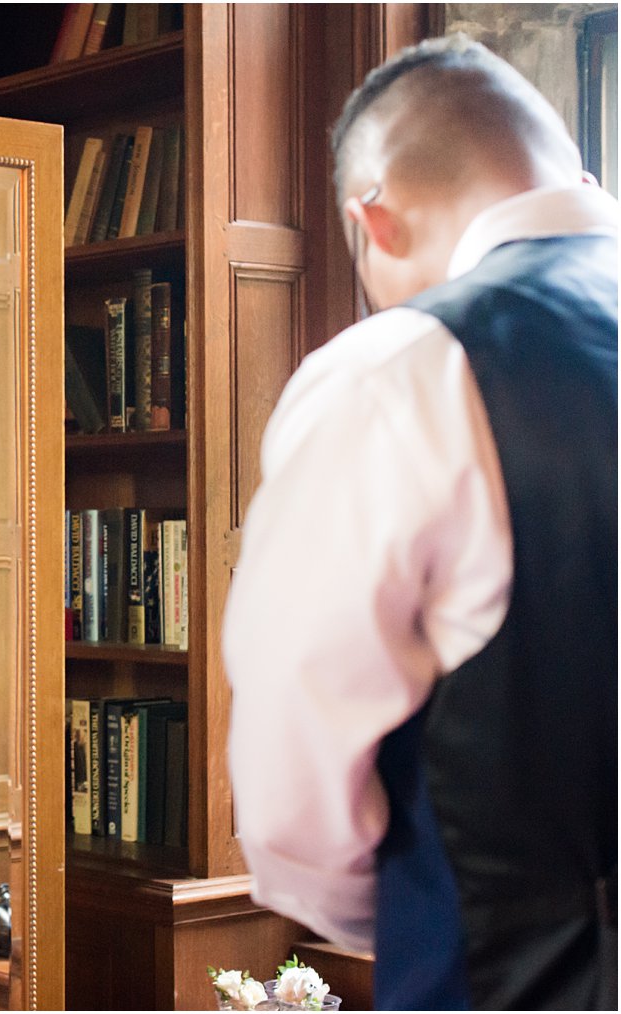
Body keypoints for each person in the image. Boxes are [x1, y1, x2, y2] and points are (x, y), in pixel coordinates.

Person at [223, 35, 617, 1011]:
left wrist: (400, 913)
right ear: (567, 172)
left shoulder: (401, 372)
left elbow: (292, 784)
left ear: (374, 222)